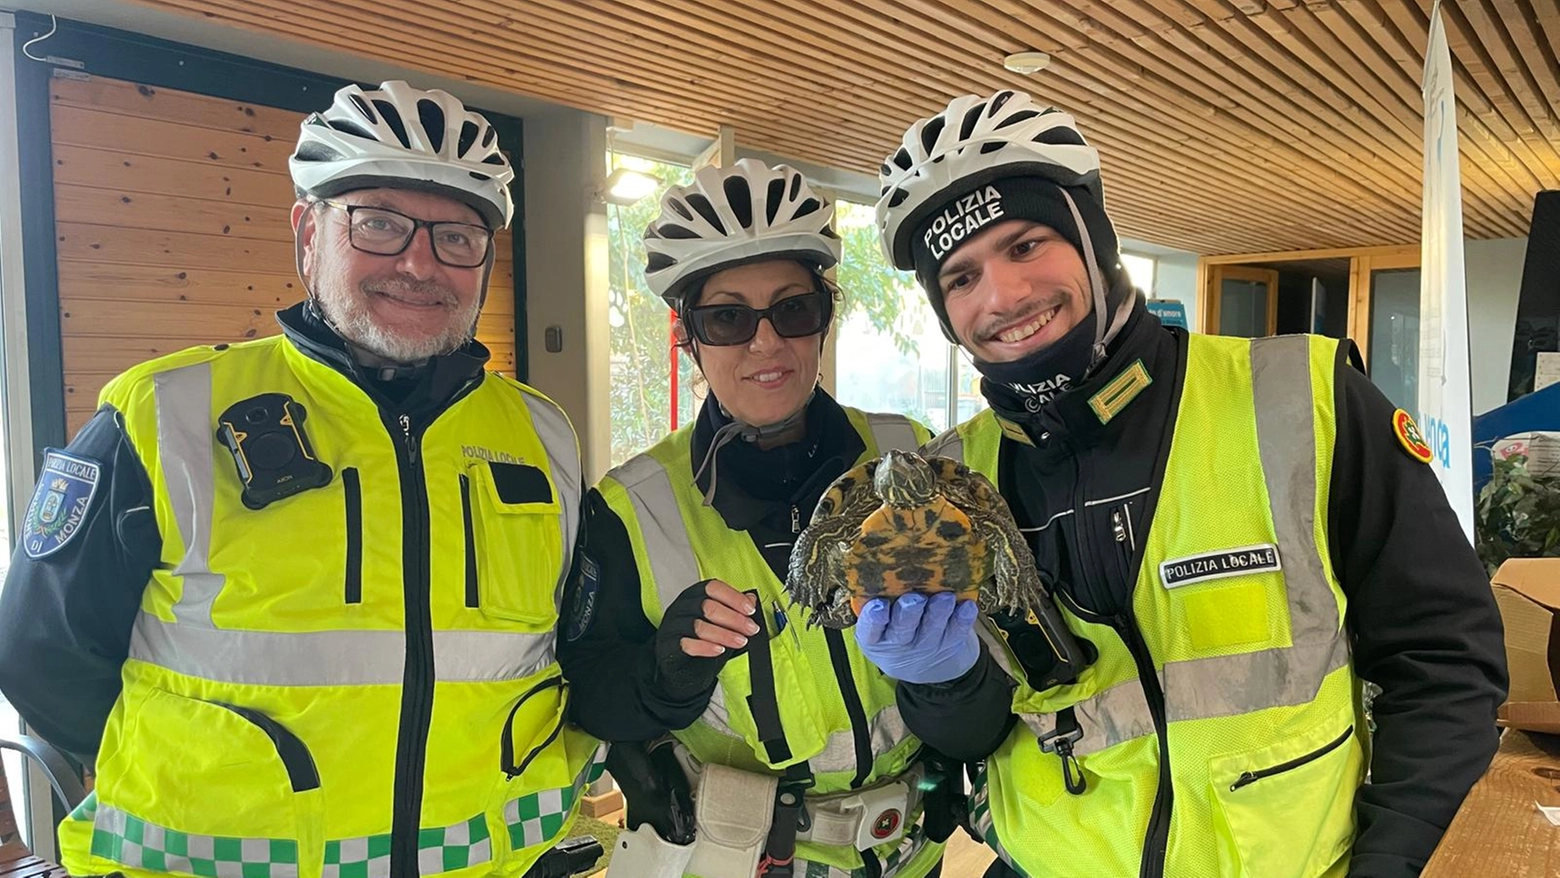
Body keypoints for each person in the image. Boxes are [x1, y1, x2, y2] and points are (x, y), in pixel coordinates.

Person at [855, 89, 1508, 878]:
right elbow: (977, 739)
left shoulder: (1303, 401)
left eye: (1026, 245)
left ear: (1094, 241)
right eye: (960, 278)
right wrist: (943, 683)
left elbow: (1442, 662)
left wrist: (1396, 859)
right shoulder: (948, 487)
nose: (1002, 296)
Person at [0, 81, 600, 878]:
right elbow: (44, 660)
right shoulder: (163, 413)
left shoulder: (541, 433)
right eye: (379, 224)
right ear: (307, 231)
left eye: (457, 236)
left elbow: (570, 648)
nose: (420, 263)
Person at [557, 159, 951, 878]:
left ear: (824, 318)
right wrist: (662, 677)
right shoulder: (631, 506)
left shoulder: (909, 455)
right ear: (689, 337)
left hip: (912, 853)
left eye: (792, 310)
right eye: (728, 317)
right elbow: (587, 695)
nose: (765, 344)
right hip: (740, 857)